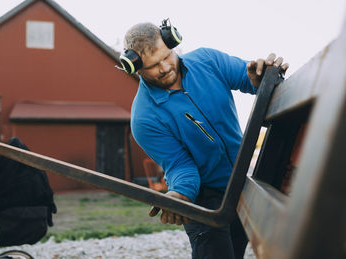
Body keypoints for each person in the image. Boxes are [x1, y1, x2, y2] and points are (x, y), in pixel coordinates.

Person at [120, 20, 288, 259]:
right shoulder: (144, 119)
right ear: (134, 67)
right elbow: (179, 164)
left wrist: (261, 76)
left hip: (241, 185)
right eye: (153, 66)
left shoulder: (208, 61)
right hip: (202, 198)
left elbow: (247, 76)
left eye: (167, 56)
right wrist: (180, 194)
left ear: (172, 43)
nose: (165, 67)